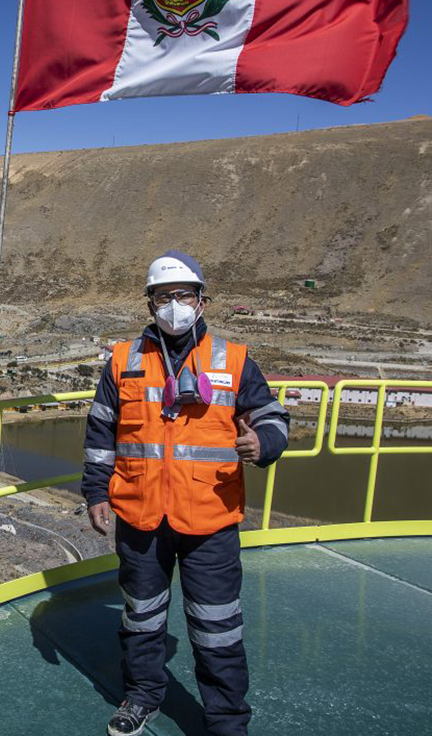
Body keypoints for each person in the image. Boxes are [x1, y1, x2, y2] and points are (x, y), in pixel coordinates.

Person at [82, 251, 289, 736]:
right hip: (140, 515)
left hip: (209, 519)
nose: (174, 305)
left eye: (184, 296)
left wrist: (265, 443)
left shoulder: (233, 360)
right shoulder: (122, 360)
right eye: (164, 297)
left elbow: (273, 416)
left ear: (201, 300)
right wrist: (96, 493)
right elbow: (99, 433)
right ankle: (142, 696)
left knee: (217, 627)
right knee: (141, 617)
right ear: (150, 303)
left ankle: (226, 721)